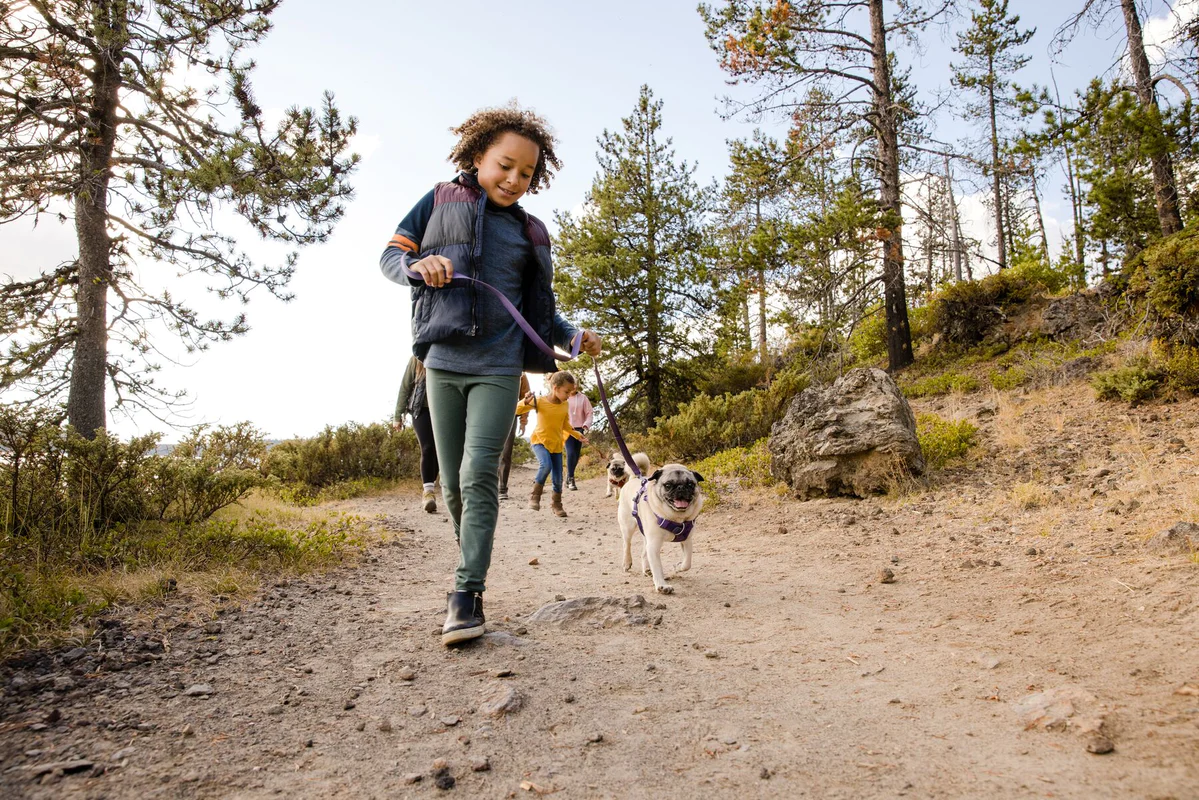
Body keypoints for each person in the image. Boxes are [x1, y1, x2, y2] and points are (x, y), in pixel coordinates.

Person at [379, 105, 602, 646]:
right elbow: (391, 254)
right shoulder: (437, 200)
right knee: (453, 485)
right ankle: (471, 558)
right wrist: (417, 267)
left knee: (479, 475)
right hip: (441, 363)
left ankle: (466, 594)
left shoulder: (532, 232)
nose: (514, 179)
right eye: (505, 165)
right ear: (478, 156)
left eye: (526, 173)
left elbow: (542, 314)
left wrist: (573, 339)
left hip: (500, 368)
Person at [515, 371, 587, 518]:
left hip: (556, 445)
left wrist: (578, 435)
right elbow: (516, 410)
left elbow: (566, 425)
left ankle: (557, 504)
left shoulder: (564, 405)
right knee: (545, 465)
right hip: (540, 441)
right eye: (566, 392)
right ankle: (535, 497)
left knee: (558, 478)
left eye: (571, 392)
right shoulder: (539, 401)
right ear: (555, 388)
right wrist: (525, 402)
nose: (568, 395)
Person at [395, 356, 439, 513]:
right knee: (427, 448)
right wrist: (397, 416)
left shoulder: (449, 352)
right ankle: (428, 492)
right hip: (421, 409)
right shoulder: (416, 359)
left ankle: (433, 485)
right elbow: (405, 387)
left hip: (443, 410)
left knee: (440, 451)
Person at [498, 372, 532, 500]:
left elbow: (525, 398)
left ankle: (502, 488)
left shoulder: (521, 374)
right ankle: (485, 487)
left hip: (511, 415)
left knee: (506, 452)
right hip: (489, 414)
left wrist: (523, 421)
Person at [564, 383, 593, 491]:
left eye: (576, 384)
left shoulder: (583, 398)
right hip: (567, 430)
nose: (574, 386)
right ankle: (571, 479)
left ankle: (568, 476)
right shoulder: (564, 397)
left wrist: (586, 425)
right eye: (572, 384)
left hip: (580, 429)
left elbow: (589, 412)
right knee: (570, 453)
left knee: (575, 455)